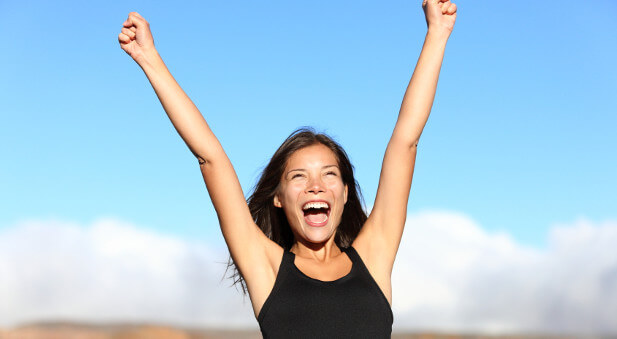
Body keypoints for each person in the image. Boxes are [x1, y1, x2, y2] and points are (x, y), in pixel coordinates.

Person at [118, 0, 457, 337]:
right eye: (298, 176)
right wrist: (149, 58)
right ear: (278, 197)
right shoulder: (265, 267)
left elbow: (405, 141)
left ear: (345, 193)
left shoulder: (374, 255)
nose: (315, 186)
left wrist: (437, 34)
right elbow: (210, 156)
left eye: (329, 174)